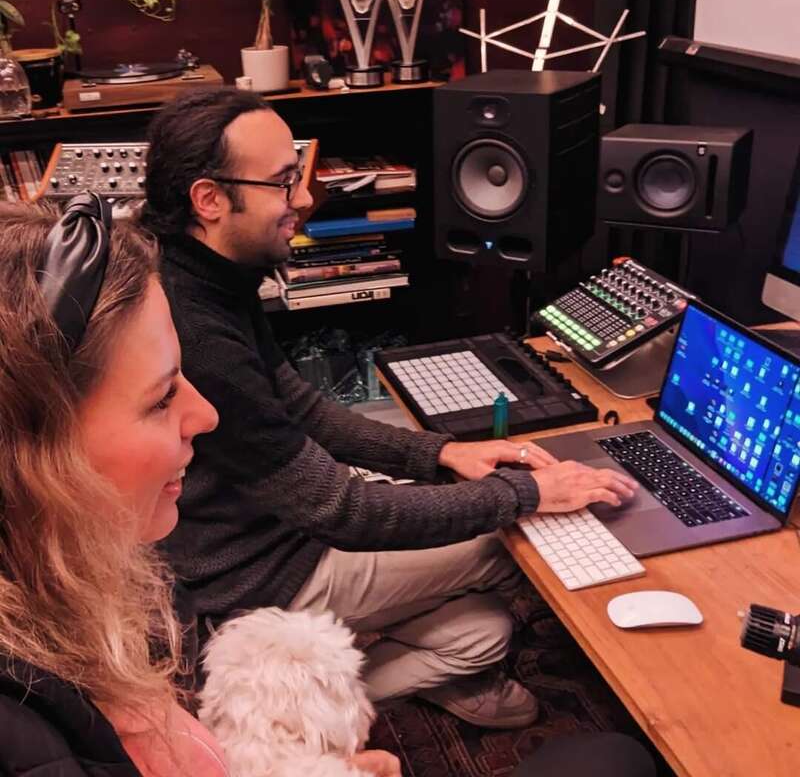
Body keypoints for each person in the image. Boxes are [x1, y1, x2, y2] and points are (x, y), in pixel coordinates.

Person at [142, 87, 637, 729]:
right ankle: (264, 716)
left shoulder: (208, 272)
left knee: (481, 632)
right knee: (510, 542)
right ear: (208, 199)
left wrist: (442, 453)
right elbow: (342, 512)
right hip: (258, 577)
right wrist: (528, 494)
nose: (304, 199)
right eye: (284, 182)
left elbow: (302, 408)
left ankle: (308, 693)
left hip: (274, 542)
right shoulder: (196, 328)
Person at [0, 197, 401, 777]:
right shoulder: (23, 733)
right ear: (31, 454)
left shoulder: (101, 588)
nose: (206, 415)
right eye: (162, 398)